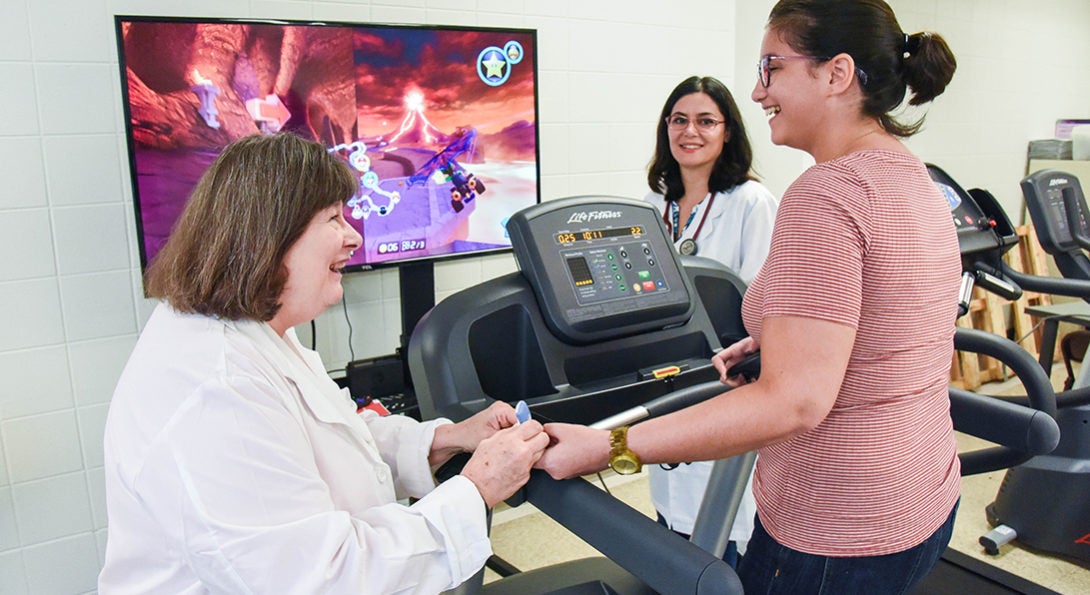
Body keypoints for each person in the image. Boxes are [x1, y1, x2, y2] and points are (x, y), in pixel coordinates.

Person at [537, 1, 961, 592]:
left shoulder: (825, 196)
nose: (759, 93)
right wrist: (776, 339)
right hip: (921, 493)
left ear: (836, 74)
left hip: (834, 523)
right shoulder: (913, 176)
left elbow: (794, 405)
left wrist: (606, 447)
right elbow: (890, 318)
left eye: (771, 69)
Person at [98, 132, 549, 594]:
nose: (354, 236)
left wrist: (446, 438)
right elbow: (322, 580)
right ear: (267, 236)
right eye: (334, 218)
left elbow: (329, 437)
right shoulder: (216, 389)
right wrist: (477, 488)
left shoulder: (252, 331)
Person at [643, 75, 778, 567]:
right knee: (673, 517)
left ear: (727, 132)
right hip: (671, 382)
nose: (690, 132)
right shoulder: (656, 207)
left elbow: (764, 306)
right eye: (679, 120)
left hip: (729, 385)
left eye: (705, 121)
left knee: (724, 529)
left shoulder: (750, 203)